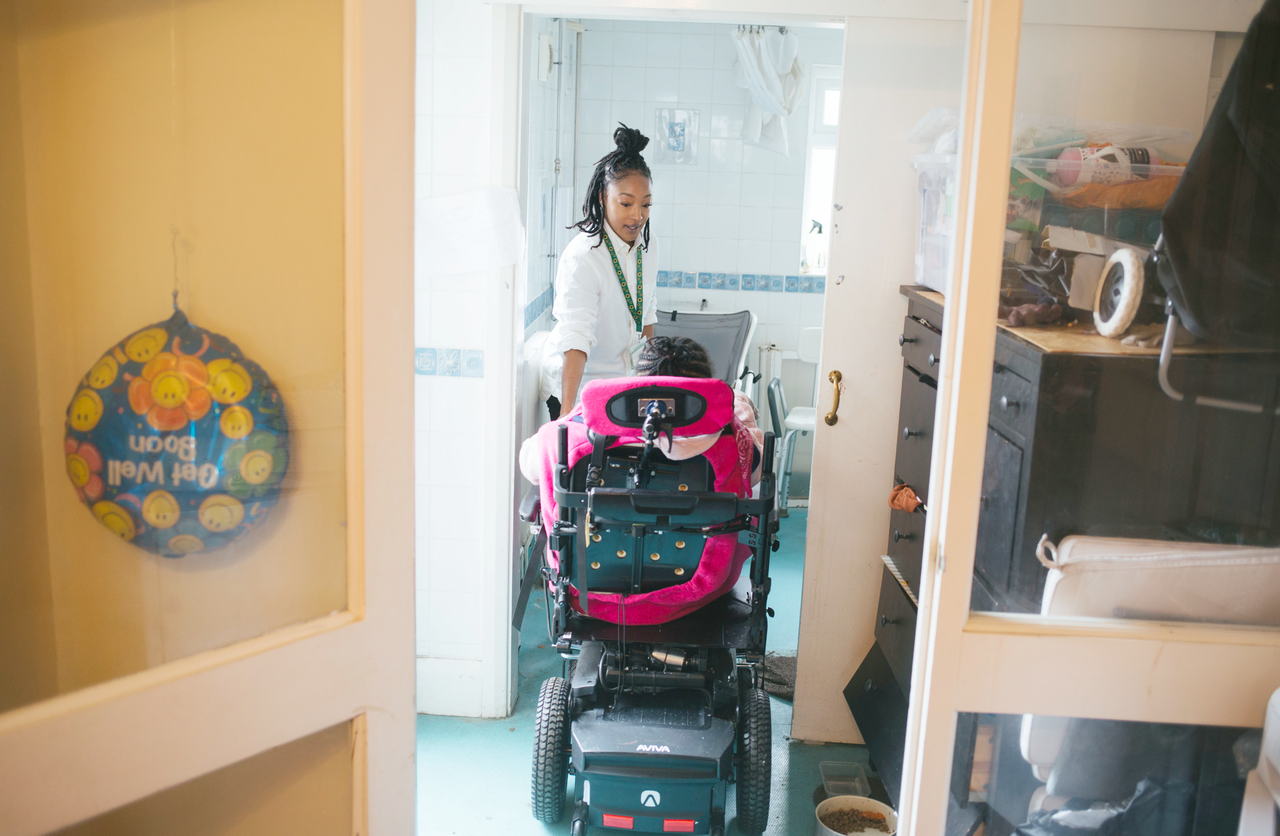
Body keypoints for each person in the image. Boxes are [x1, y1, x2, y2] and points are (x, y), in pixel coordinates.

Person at [521, 336, 764, 487]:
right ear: (703, 389)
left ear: (637, 383)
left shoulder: (580, 432)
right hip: (701, 564)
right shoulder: (733, 439)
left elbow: (529, 466)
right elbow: (753, 477)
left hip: (593, 562)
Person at [546, 124, 657, 418]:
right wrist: (567, 414)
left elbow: (647, 316)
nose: (638, 216)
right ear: (601, 198)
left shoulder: (648, 245)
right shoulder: (584, 257)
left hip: (624, 389)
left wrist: (648, 386)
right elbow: (576, 339)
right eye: (625, 203)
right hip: (582, 392)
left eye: (646, 204)